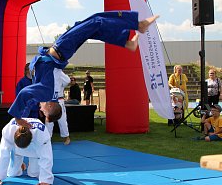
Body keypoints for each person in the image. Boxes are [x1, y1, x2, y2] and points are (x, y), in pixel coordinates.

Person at [8, 11, 159, 128]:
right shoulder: (46, 93)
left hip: (60, 52)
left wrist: (21, 117)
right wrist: (17, 118)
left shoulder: (43, 95)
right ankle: (138, 25)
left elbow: (27, 101)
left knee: (91, 27)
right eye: (44, 112)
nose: (40, 110)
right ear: (49, 106)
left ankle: (127, 42)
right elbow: (24, 94)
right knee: (96, 21)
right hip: (61, 49)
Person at [0, 118, 53, 185]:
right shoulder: (8, 130)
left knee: (33, 174)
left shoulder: (41, 133)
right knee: (12, 173)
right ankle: (20, 164)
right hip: (16, 151)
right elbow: (3, 154)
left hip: (34, 151)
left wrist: (45, 180)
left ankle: (32, 162)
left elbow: (46, 157)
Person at [45, 69, 71, 145]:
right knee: (49, 120)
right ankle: (47, 138)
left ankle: (66, 137)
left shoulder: (59, 71)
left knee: (62, 119)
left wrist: (61, 83)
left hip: (59, 99)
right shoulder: (47, 72)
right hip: (49, 99)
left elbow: (67, 80)